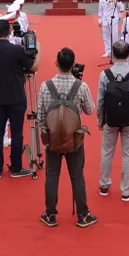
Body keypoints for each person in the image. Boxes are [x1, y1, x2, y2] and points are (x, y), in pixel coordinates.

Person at [36, 47, 96, 228]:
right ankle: (83, 215)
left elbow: (40, 116)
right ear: (73, 64)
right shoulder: (81, 86)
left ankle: (50, 214)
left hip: (53, 138)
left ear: (56, 63)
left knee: (52, 175)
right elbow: (90, 110)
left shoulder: (46, 86)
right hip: (74, 138)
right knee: (77, 175)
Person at [0, 19, 39, 178]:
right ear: (9, 32)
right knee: (16, 133)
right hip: (16, 97)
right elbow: (34, 67)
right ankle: (15, 168)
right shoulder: (17, 50)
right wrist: (39, 50)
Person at [97, 41, 129, 201]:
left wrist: (101, 119)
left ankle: (104, 184)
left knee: (107, 152)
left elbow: (100, 101)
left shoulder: (105, 75)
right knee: (128, 155)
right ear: (128, 54)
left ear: (113, 54)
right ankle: (126, 189)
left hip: (110, 119)